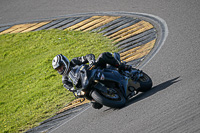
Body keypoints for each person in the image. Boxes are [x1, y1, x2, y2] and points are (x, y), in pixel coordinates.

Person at [52, 52, 132, 109]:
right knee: (96, 105)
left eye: (61, 67)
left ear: (65, 62)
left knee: (103, 56)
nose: (60, 69)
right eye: (58, 69)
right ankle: (105, 96)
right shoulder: (65, 80)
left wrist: (91, 62)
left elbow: (87, 57)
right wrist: (76, 92)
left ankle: (122, 66)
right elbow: (71, 89)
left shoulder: (74, 62)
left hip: (93, 73)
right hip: (86, 87)